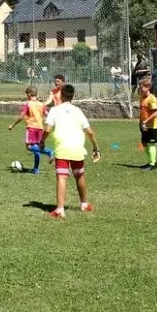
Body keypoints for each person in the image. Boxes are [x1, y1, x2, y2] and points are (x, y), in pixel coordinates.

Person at [39, 84, 100, 219]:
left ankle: (60, 210)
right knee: (79, 175)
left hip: (62, 148)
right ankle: (84, 204)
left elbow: (48, 129)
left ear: (60, 95)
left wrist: (42, 141)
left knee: (62, 176)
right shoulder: (78, 110)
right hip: (77, 147)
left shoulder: (55, 110)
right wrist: (96, 148)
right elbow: (89, 132)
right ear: (72, 96)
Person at [8, 86, 52, 174]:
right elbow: (48, 114)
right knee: (36, 148)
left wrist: (13, 124)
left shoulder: (27, 104)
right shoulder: (41, 104)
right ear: (36, 94)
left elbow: (21, 116)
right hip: (40, 128)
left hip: (31, 128)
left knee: (29, 147)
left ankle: (49, 152)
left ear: (28, 94)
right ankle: (35, 169)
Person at [138, 78, 157, 171]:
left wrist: (145, 122)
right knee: (144, 143)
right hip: (144, 125)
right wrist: (140, 123)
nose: (140, 89)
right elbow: (142, 112)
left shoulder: (152, 99)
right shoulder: (142, 98)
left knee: (151, 144)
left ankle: (152, 163)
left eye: (141, 87)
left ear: (148, 87)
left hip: (153, 126)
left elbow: (155, 113)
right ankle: (151, 161)